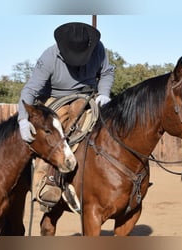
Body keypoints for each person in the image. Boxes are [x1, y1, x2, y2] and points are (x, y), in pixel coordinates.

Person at [17, 22, 114, 212]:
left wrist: (104, 93)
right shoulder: (49, 57)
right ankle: (48, 180)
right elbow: (30, 90)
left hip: (87, 95)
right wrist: (22, 119)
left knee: (105, 123)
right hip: (54, 97)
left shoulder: (99, 49)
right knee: (53, 132)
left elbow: (107, 72)